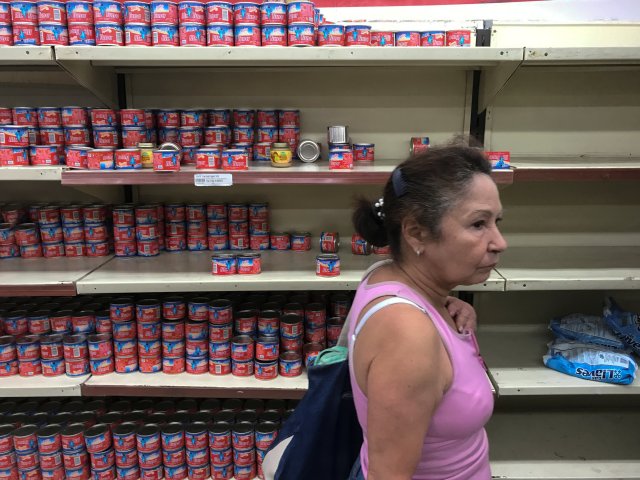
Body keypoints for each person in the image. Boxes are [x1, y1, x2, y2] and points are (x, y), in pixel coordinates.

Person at [345, 145, 507, 480]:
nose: (499, 242)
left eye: (496, 221)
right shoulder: (408, 335)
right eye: (478, 224)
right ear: (416, 233)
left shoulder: (385, 275)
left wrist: (445, 314)